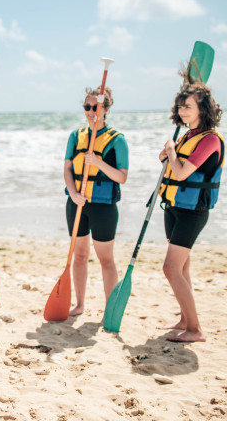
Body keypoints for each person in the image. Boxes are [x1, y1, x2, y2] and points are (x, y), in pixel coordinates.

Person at [158, 82, 224, 343]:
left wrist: (172, 153)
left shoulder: (210, 139)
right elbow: (172, 166)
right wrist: (166, 155)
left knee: (170, 268)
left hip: (193, 211)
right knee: (182, 269)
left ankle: (195, 330)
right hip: (174, 207)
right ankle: (185, 319)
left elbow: (182, 171)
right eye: (180, 106)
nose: (182, 111)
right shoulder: (188, 135)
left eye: (188, 106)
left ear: (202, 109)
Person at [63, 86, 128, 316]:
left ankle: (110, 308)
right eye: (87, 107)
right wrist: (73, 194)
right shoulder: (75, 136)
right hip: (77, 203)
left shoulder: (117, 140)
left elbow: (122, 177)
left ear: (106, 108)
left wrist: (98, 163)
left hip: (103, 207)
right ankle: (79, 304)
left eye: (96, 107)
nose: (91, 111)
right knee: (79, 255)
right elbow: (68, 168)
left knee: (105, 259)